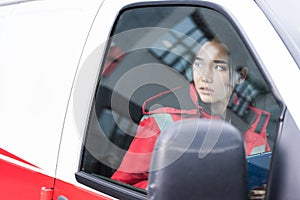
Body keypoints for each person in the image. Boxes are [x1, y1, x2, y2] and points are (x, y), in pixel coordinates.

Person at [111, 38, 271, 190]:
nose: (205, 77)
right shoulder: (165, 118)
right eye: (199, 65)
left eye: (219, 67)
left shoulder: (257, 129)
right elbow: (123, 185)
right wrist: (168, 190)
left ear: (241, 76)